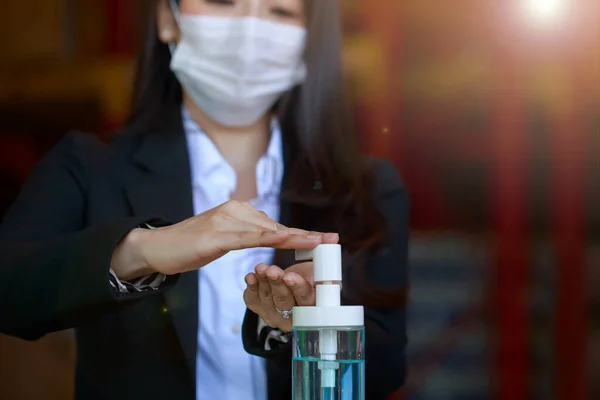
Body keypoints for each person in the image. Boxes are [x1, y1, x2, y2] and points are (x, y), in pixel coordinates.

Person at [0, 0, 409, 399]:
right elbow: (10, 291)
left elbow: (385, 370)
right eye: (221, 2)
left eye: (280, 11)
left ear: (308, 40)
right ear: (167, 17)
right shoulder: (88, 167)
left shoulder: (367, 188)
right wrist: (142, 251)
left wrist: (305, 324)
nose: (249, 31)